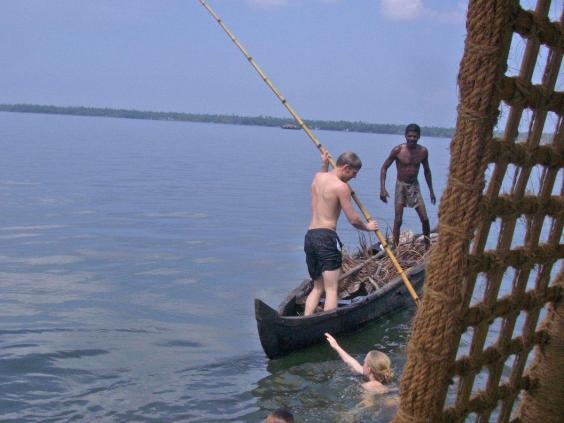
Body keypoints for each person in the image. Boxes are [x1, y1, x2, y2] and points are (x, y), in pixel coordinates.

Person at [304, 151, 378, 316]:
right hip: (326, 237)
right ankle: (327, 327)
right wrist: (368, 227)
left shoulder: (318, 177)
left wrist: (324, 163)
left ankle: (306, 319)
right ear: (346, 167)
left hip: (310, 236)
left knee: (317, 287)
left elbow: (323, 174)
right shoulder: (341, 187)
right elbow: (353, 219)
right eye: (354, 172)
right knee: (331, 289)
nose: (355, 177)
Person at [379, 123, 436, 248]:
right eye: (410, 136)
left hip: (414, 186)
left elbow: (427, 171)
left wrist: (431, 190)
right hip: (401, 186)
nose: (412, 139)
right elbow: (384, 168)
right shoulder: (398, 150)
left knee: (425, 219)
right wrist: (382, 189)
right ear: (405, 136)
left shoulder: (423, 151)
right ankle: (395, 247)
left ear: (419, 137)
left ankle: (427, 246)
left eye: (415, 136)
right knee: (398, 219)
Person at [325, 333, 393, 394]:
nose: (362, 365)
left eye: (364, 363)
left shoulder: (368, 386)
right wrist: (336, 346)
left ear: (369, 369)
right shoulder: (385, 377)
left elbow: (366, 406)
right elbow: (352, 363)